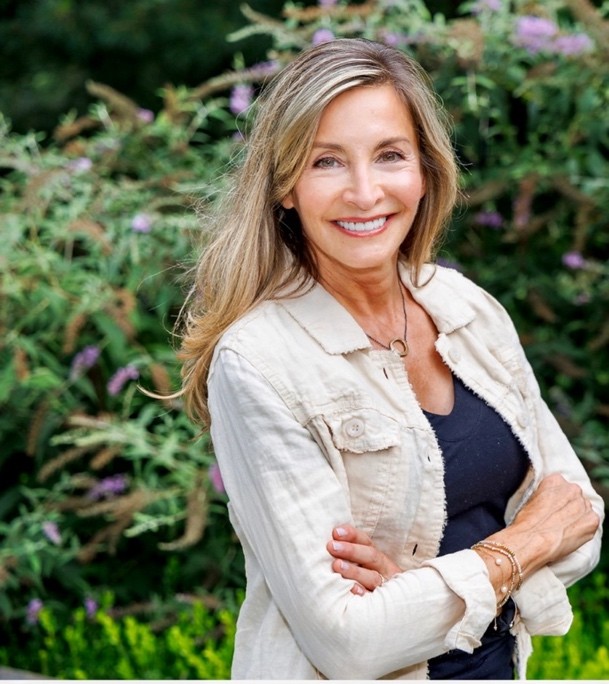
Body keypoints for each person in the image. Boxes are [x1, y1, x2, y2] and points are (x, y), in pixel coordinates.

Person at [176, 38, 603, 679]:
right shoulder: (257, 361)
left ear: (425, 171)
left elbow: (582, 515)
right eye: (326, 161)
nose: (364, 191)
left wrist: (416, 590)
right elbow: (348, 643)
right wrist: (524, 546)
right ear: (286, 186)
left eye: (390, 155)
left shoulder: (467, 308)